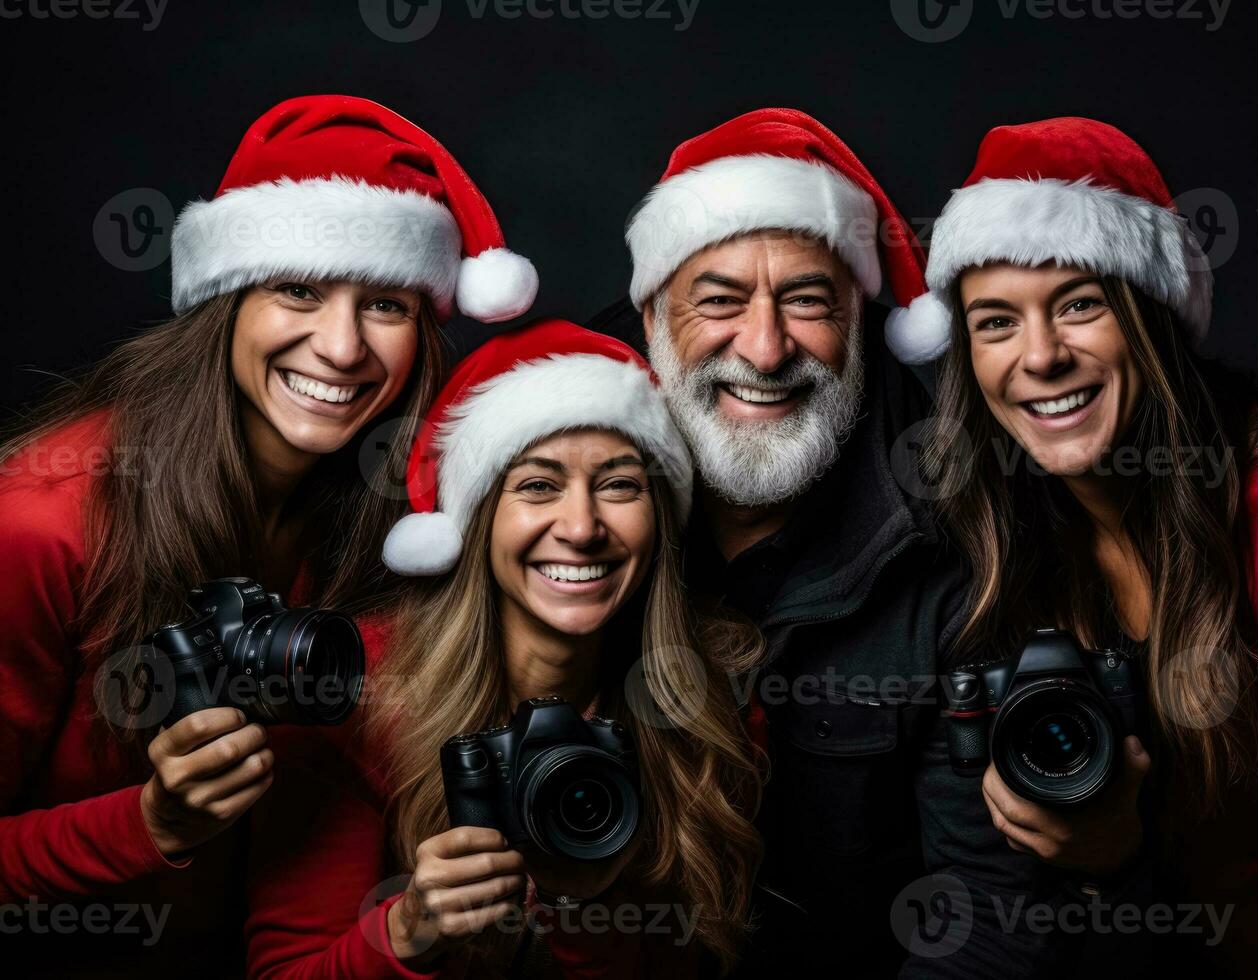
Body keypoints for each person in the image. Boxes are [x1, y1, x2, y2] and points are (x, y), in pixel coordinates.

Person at [885, 116, 1258, 978]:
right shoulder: (1013, 529)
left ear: (1150, 321)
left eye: (1080, 305)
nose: (1040, 357)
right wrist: (1103, 855)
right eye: (997, 322)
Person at [0, 94, 538, 973]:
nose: (340, 348)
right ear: (227, 300)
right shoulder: (47, 521)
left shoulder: (404, 525)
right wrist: (146, 824)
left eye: (387, 306)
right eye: (298, 288)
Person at [588, 107, 1079, 977]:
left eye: (808, 301)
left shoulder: (963, 537)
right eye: (720, 300)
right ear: (653, 315)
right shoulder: (565, 497)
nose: (767, 348)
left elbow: (993, 918)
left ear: (860, 318)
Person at [244, 318, 766, 978]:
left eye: (620, 485)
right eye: (538, 485)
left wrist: (583, 903)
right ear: (478, 517)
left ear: (660, 518)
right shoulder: (348, 693)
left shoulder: (706, 704)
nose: (581, 528)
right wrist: (406, 931)